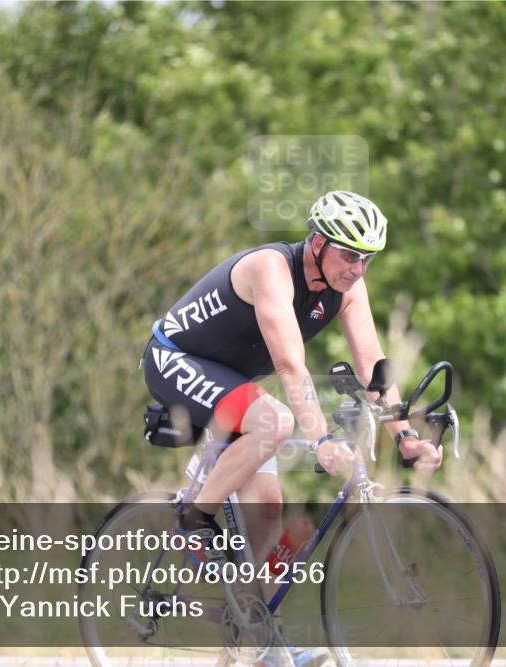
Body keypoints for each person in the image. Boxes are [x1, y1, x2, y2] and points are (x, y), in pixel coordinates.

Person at [141, 190, 442, 663]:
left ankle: (258, 643)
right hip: (175, 359)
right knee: (275, 420)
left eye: (367, 260)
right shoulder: (271, 269)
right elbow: (288, 364)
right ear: (318, 243)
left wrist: (405, 436)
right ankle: (192, 522)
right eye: (349, 256)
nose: (357, 270)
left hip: (233, 381)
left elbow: (372, 368)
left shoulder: (347, 288)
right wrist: (321, 438)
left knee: (269, 510)